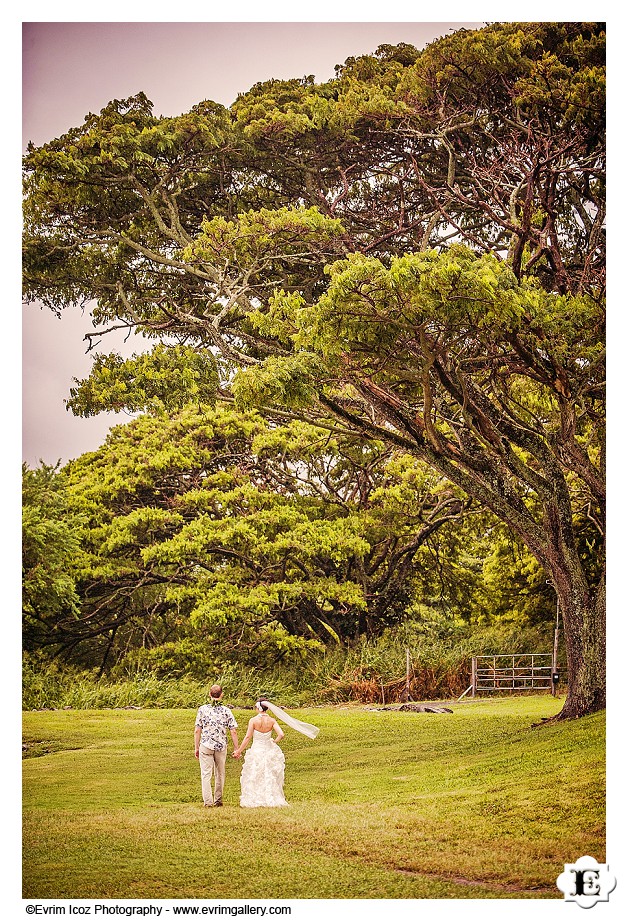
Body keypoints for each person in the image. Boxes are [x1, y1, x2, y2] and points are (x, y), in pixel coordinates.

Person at [233, 698, 319, 808]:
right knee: (268, 774)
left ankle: (255, 798)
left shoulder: (253, 721)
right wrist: (274, 741)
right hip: (268, 749)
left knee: (255, 773)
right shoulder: (272, 721)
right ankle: (270, 796)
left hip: (257, 749)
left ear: (258, 708)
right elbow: (281, 734)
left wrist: (239, 751)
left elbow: (248, 737)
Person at [194, 684, 239, 807]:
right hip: (220, 745)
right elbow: (233, 730)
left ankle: (208, 802)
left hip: (206, 745)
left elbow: (197, 730)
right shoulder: (226, 711)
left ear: (209, 694)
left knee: (206, 774)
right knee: (220, 773)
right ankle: (218, 800)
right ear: (222, 694)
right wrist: (236, 748)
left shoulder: (202, 709)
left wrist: (196, 747)